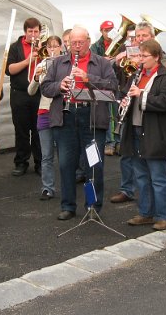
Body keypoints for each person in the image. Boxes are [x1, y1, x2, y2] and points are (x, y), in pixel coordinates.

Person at [41, 25, 118, 220]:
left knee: (94, 164)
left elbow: (113, 86)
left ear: (88, 42)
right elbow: (45, 88)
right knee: (66, 163)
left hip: (92, 118)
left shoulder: (101, 63)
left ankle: (93, 206)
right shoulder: (59, 63)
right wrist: (60, 85)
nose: (75, 46)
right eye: (72, 43)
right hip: (67, 117)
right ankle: (68, 206)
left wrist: (87, 78)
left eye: (79, 42)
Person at [120, 39, 166, 230]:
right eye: (139, 56)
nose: (140, 60)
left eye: (144, 56)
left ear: (155, 57)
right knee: (141, 176)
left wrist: (141, 94)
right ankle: (146, 213)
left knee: (159, 177)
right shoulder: (137, 75)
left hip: (156, 133)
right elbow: (130, 95)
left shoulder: (165, 77)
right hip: (136, 129)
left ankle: (164, 216)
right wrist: (125, 102)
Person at [110, 21, 164, 204]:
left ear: (152, 38)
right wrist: (119, 64)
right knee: (127, 153)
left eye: (144, 36)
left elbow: (161, 89)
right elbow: (120, 83)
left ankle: (153, 205)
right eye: (137, 36)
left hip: (149, 121)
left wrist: (141, 62)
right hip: (131, 113)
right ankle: (128, 189)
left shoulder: (158, 57)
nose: (140, 39)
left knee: (151, 167)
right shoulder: (130, 55)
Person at [6, 18, 43, 176]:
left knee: (38, 130)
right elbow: (9, 70)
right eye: (30, 31)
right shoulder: (15, 47)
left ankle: (40, 162)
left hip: (39, 92)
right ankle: (21, 162)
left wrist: (43, 53)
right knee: (21, 129)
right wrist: (28, 61)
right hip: (19, 93)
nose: (33, 35)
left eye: (36, 31)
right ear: (25, 32)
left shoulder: (44, 47)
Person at [28, 35, 63, 201]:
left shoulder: (66, 64)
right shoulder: (41, 64)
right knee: (46, 154)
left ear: (61, 47)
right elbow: (31, 91)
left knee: (64, 153)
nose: (53, 49)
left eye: (56, 46)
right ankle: (47, 188)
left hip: (61, 111)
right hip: (44, 110)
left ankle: (69, 185)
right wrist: (36, 77)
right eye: (50, 47)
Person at [92, 20, 120, 155]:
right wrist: (104, 60)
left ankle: (119, 142)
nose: (109, 33)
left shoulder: (121, 45)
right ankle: (109, 143)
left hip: (117, 83)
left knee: (118, 113)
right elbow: (93, 63)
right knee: (107, 114)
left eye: (111, 30)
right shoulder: (95, 46)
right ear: (101, 31)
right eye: (106, 30)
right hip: (102, 84)